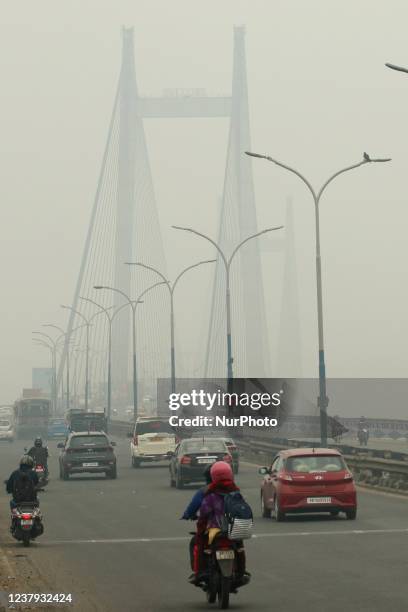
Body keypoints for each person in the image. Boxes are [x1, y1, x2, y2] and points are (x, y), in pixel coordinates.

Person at [196, 461, 249, 587]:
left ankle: (200, 572)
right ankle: (241, 572)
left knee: (201, 544)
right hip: (233, 530)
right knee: (240, 548)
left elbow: (203, 514)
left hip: (214, 532)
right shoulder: (236, 494)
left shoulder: (210, 495)